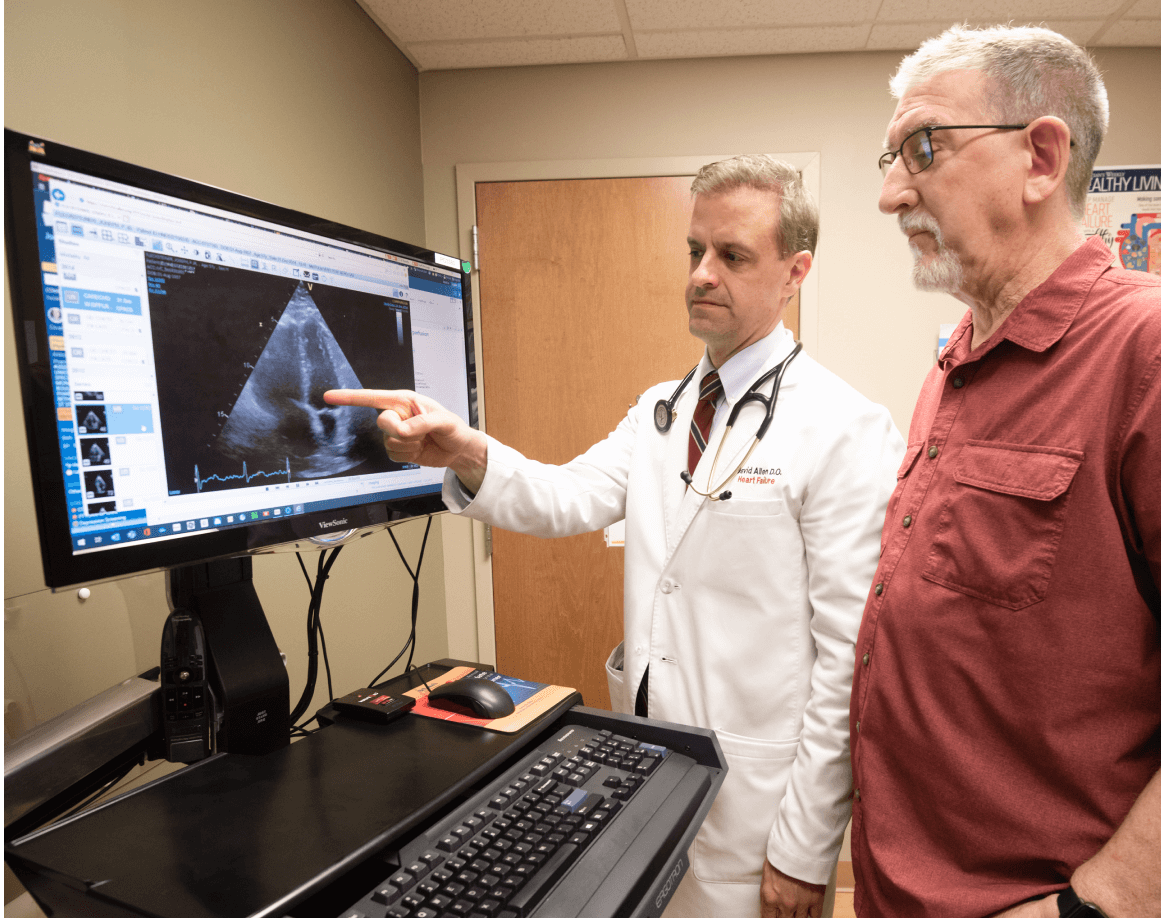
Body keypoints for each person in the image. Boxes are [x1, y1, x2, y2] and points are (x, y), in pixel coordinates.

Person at [853, 24, 1161, 918]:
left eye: (923, 148)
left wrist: (1090, 909)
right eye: (891, 159)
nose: (891, 193)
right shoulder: (959, 358)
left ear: (1041, 157)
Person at [327, 154, 906, 918]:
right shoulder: (662, 410)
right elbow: (566, 497)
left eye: (733, 256)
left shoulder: (845, 428)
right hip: (648, 773)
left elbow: (849, 664)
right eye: (695, 250)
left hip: (757, 808)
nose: (702, 274)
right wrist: (465, 450)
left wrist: (804, 852)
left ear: (795, 272)